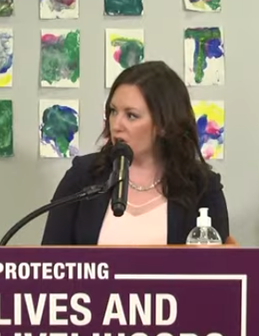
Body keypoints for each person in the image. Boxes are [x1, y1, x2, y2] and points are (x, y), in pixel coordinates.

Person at [39, 60, 238, 246]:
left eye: (131, 115)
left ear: (163, 124)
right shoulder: (83, 176)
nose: (116, 125)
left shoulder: (202, 187)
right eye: (113, 111)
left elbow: (220, 267)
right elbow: (50, 262)